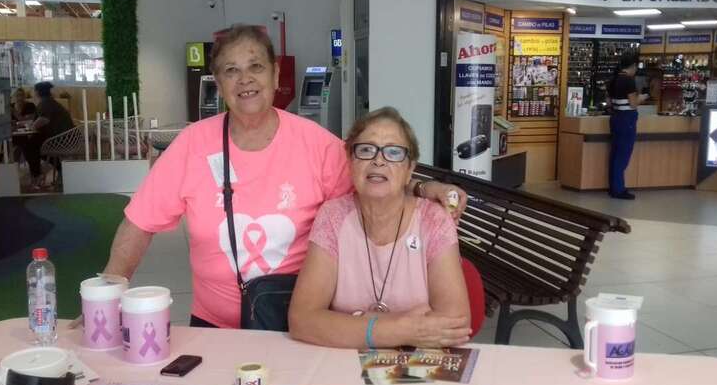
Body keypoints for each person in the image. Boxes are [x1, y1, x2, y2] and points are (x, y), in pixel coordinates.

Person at [103, 24, 466, 330]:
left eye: (256, 67)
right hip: (214, 326)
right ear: (219, 83)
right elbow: (139, 223)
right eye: (231, 70)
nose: (245, 79)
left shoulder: (317, 144)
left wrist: (422, 187)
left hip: (294, 323)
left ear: (275, 75)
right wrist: (106, 299)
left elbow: (370, 173)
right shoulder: (191, 145)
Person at [288, 107, 471, 349]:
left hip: (416, 362)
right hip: (342, 362)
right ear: (350, 162)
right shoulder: (333, 217)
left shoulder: (433, 220)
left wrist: (357, 322)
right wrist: (401, 330)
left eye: (393, 152)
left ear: (409, 170)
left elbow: (455, 323)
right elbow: (302, 320)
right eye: (366, 150)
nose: (378, 160)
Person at [607, 55, 648, 200]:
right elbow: (633, 103)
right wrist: (642, 97)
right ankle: (619, 189)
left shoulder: (612, 80)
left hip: (615, 118)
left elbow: (609, 103)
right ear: (633, 66)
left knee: (615, 154)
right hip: (627, 120)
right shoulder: (628, 81)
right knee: (623, 155)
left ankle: (613, 187)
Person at [26, 82, 74, 188]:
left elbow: (44, 119)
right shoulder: (50, 102)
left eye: (34, 90)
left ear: (37, 92)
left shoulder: (45, 103)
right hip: (68, 138)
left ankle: (36, 176)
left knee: (29, 147)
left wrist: (32, 127)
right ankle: (60, 169)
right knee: (34, 146)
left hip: (60, 139)